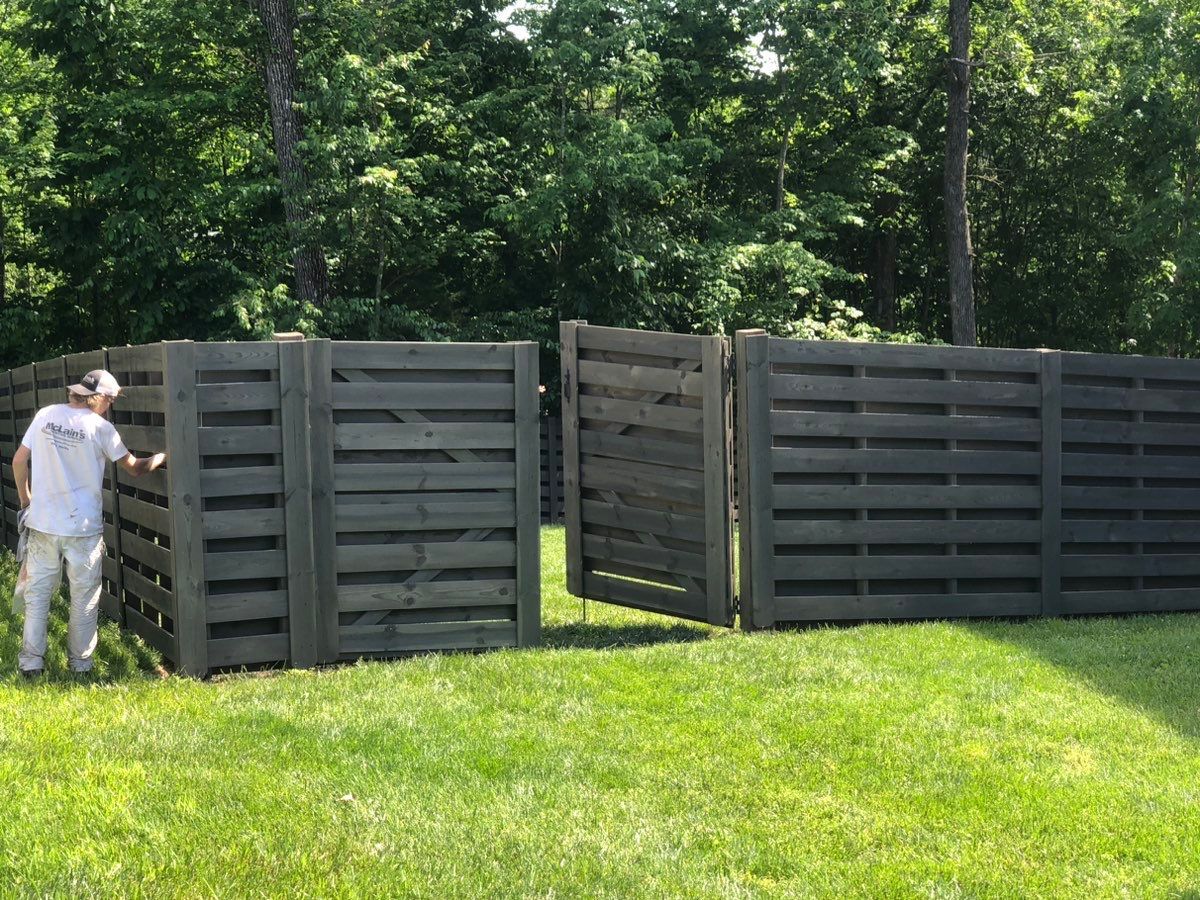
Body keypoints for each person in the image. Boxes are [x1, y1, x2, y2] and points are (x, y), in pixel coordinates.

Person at [12, 369, 166, 678]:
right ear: (100, 398)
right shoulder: (101, 428)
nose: (109, 405)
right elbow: (134, 468)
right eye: (110, 399)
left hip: (43, 523)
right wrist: (162, 457)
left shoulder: (45, 415)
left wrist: (27, 501)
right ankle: (80, 667)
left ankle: (31, 666)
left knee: (37, 596)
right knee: (84, 598)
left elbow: (19, 460)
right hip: (83, 529)